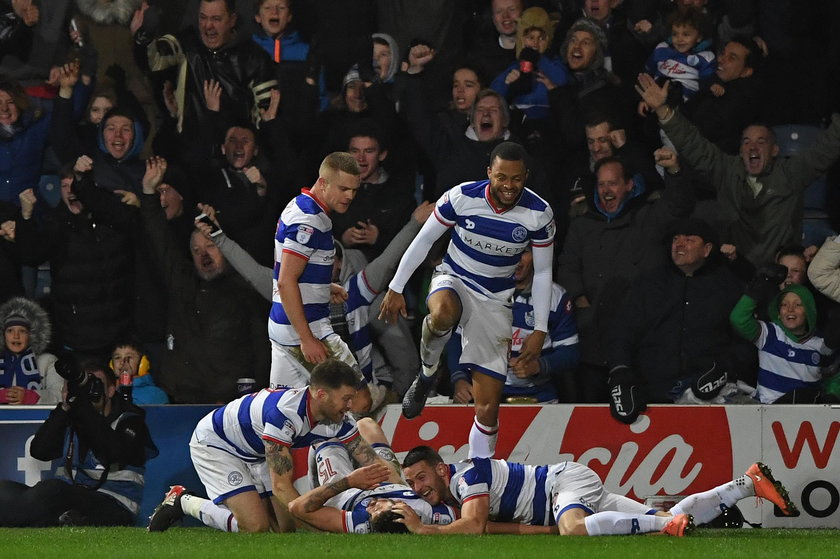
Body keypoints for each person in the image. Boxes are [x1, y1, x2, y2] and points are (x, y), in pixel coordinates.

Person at [379, 142, 555, 459]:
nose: (509, 186)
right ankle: (428, 372)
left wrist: (539, 328)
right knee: (442, 313)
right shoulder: (461, 197)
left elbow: (542, 273)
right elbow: (425, 240)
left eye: (516, 179)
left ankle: (481, 478)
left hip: (496, 301)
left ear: (525, 176)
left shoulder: (539, 214)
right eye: (501, 177)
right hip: (455, 279)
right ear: (489, 172)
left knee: (488, 407)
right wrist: (396, 286)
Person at [146, 359, 388, 533]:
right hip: (217, 444)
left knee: (285, 529)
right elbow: (281, 486)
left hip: (256, 451)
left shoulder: (337, 418)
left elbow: (373, 462)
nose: (351, 405)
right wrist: (318, 527)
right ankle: (183, 500)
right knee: (255, 527)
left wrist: (404, 497)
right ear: (321, 395)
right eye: (346, 398)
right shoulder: (284, 415)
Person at [636, 73, 840, 268]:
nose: (753, 147)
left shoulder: (791, 172)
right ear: (740, 150)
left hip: (779, 278)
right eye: (747, 142)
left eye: (761, 142)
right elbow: (693, 143)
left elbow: (827, 149)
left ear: (775, 150)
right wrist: (663, 110)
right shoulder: (726, 169)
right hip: (733, 275)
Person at [395, 445, 798, 535]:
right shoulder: (455, 493)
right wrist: (543, 531)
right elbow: (484, 526)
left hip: (563, 483)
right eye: (411, 482)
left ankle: (664, 528)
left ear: (442, 469)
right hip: (561, 493)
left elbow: (475, 525)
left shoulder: (467, 475)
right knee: (661, 515)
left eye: (421, 477)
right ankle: (746, 485)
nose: (417, 486)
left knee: (574, 529)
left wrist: (424, 530)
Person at [556, 152, 693, 403]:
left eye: (614, 183)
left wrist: (674, 171)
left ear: (630, 185)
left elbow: (679, 205)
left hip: (641, 344)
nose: (607, 190)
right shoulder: (582, 225)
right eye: (602, 184)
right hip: (592, 341)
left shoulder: (648, 217)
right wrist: (580, 300)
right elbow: (567, 266)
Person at [139, 156, 270, 404]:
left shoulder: (246, 288)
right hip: (183, 401)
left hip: (229, 404)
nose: (204, 255)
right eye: (197, 251)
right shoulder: (182, 282)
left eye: (211, 246)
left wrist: (250, 398)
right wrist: (148, 192)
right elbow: (159, 239)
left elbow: (261, 352)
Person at [605, 218, 743, 422]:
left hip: (710, 398)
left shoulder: (729, 286)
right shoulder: (648, 284)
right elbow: (623, 331)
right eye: (676, 239)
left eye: (688, 240)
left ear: (706, 249)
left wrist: (724, 368)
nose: (679, 244)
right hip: (651, 395)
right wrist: (620, 371)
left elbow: (744, 339)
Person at [270, 152, 376, 413]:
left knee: (289, 413)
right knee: (360, 402)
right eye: (343, 188)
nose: (349, 196)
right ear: (323, 182)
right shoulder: (309, 222)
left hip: (282, 329)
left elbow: (291, 271)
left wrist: (322, 288)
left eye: (354, 190)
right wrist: (307, 338)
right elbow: (286, 281)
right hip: (308, 331)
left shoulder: (300, 205)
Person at [0, 356, 158, 527]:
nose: (88, 391)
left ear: (111, 390)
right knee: (5, 490)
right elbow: (40, 451)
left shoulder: (130, 420)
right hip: (67, 496)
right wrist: (65, 407)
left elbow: (112, 453)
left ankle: (58, 519)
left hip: (114, 504)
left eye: (95, 384)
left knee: (51, 490)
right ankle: (64, 519)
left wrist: (83, 409)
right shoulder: (72, 413)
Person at [449, 247, 579, 404]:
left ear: (536, 254)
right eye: (510, 251)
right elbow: (456, 342)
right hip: (484, 397)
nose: (516, 260)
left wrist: (539, 366)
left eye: (524, 252)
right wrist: (459, 379)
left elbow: (570, 352)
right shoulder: (478, 292)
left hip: (541, 398)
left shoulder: (555, 296)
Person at [287, 417, 457, 533]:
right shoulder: (426, 511)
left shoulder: (360, 522)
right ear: (402, 509)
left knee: (327, 433)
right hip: (390, 480)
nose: (371, 506)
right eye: (379, 508)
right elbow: (472, 517)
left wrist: (349, 481)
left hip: (346, 492)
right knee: (367, 424)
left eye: (372, 513)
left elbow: (296, 507)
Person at [730, 280, 839, 404]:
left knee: (803, 395)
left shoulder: (822, 344)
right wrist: (756, 290)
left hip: (806, 414)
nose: (790, 309)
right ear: (779, 313)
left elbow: (833, 377)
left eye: (798, 305)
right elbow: (739, 319)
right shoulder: (769, 334)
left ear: (809, 312)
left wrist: (833, 395)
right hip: (768, 412)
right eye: (784, 305)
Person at [331, 125, 416, 263]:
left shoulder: (400, 194)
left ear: (382, 154)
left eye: (369, 151)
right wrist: (342, 239)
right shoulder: (333, 191)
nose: (360, 158)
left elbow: (411, 244)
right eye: (355, 151)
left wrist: (378, 239)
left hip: (383, 273)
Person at [640, 7, 715, 111]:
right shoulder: (662, 49)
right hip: (655, 99)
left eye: (686, 34)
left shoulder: (705, 57)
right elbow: (646, 75)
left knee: (675, 88)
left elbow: (707, 83)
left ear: (699, 37)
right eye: (675, 34)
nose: (679, 39)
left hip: (684, 106)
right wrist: (643, 99)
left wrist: (715, 85)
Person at [0, 296, 62, 405]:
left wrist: (30, 397)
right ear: (3, 335)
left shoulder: (48, 361)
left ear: (31, 335)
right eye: (10, 331)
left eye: (22, 331)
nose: (16, 336)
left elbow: (59, 396)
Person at [109, 337, 169, 405]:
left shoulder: (156, 394)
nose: (122, 362)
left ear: (142, 363)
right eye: (117, 358)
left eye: (129, 357)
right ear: (111, 364)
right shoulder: (108, 390)